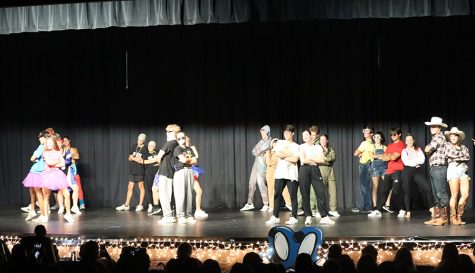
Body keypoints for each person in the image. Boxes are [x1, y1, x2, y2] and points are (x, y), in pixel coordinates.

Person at [298, 130, 334, 225]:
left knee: (321, 192)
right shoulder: (301, 146)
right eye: (303, 136)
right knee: (305, 193)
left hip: (315, 169)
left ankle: (324, 216)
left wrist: (310, 159)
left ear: (311, 136)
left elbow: (322, 159)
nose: (304, 137)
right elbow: (303, 160)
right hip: (304, 170)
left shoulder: (318, 147)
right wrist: (315, 159)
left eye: (306, 135)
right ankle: (308, 216)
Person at [266, 125, 300, 225]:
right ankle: (275, 216)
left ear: (292, 133)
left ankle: (294, 217)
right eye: (284, 133)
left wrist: (284, 156)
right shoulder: (280, 143)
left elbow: (295, 160)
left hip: (292, 174)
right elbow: (278, 154)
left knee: (293, 196)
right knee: (277, 195)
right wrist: (289, 155)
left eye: (288, 133)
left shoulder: (296, 146)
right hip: (280, 173)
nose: (286, 135)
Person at [368, 128, 405, 218]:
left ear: (399, 134)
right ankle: (377, 210)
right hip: (389, 170)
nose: (392, 136)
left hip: (398, 170)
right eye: (391, 135)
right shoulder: (390, 145)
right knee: (384, 191)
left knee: (396, 191)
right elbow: (384, 157)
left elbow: (393, 157)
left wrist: (389, 156)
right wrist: (388, 156)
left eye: (394, 134)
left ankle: (402, 209)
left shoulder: (401, 145)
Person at [39, 136, 75, 223]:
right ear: (46, 144)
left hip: (57, 174)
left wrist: (54, 164)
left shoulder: (58, 152)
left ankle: (68, 214)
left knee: (66, 194)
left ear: (54, 143)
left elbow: (63, 164)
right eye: (48, 143)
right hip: (48, 175)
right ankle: (45, 216)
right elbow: (49, 162)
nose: (50, 144)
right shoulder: (45, 153)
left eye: (51, 142)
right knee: (46, 197)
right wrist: (56, 163)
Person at [423, 117, 449, 226]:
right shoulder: (435, 138)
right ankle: (437, 217)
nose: (431, 128)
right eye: (431, 126)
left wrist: (428, 149)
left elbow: (427, 149)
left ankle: (444, 218)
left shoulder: (439, 137)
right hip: (434, 168)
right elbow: (427, 150)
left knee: (440, 193)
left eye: (434, 126)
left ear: (439, 128)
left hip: (439, 168)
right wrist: (427, 150)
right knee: (435, 194)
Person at [401, 134, 433, 218]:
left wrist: (412, 161)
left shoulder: (418, 149)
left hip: (416, 172)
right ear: (405, 142)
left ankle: (432, 208)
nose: (409, 141)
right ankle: (408, 211)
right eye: (407, 140)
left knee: (427, 188)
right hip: (407, 171)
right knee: (407, 191)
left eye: (411, 140)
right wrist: (416, 162)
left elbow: (422, 160)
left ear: (413, 141)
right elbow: (406, 162)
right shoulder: (404, 151)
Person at [241, 125, 271, 212]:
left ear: (268, 132)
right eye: (261, 132)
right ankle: (250, 203)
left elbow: (262, 150)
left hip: (262, 164)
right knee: (251, 183)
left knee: (261, 184)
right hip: (256, 164)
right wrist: (259, 151)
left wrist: (260, 151)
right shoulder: (261, 141)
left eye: (264, 132)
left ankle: (266, 204)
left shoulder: (269, 141)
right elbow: (254, 151)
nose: (262, 134)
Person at [444, 127, 470, 225]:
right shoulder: (447, 145)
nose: (453, 137)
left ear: (458, 137)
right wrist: (461, 156)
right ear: (449, 137)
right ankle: (453, 218)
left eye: (455, 135)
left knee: (465, 194)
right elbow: (450, 154)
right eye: (451, 135)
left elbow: (467, 156)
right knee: (454, 195)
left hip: (463, 171)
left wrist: (458, 156)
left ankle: (459, 216)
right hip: (453, 170)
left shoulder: (464, 147)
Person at [116, 133, 147, 212]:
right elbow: (129, 158)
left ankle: (140, 205)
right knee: (130, 187)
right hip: (132, 170)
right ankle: (126, 205)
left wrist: (134, 158)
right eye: (138, 140)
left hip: (140, 171)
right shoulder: (134, 146)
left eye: (141, 140)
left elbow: (142, 161)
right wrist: (135, 158)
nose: (139, 141)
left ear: (143, 141)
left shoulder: (145, 149)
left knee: (141, 187)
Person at [22, 130, 48, 221]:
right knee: (34, 191)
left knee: (38, 193)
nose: (40, 139)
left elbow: (32, 158)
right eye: (40, 138)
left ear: (45, 138)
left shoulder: (42, 146)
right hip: (41, 170)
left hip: (38, 171)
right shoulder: (48, 146)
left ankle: (43, 214)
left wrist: (35, 160)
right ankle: (33, 210)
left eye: (41, 138)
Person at [157, 124, 180, 223]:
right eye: (166, 131)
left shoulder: (170, 143)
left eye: (169, 131)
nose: (167, 133)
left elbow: (159, 155)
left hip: (165, 171)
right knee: (169, 193)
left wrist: (159, 161)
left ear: (175, 133)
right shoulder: (176, 144)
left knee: (163, 193)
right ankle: (171, 214)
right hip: (170, 171)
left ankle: (167, 216)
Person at [173, 132, 198, 224]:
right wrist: (189, 160)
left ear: (185, 138)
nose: (181, 140)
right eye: (179, 139)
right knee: (181, 195)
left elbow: (195, 161)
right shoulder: (177, 149)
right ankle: (181, 216)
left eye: (182, 138)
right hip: (181, 171)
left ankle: (189, 215)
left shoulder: (189, 149)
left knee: (189, 194)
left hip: (190, 171)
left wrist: (187, 160)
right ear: (177, 140)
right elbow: (183, 160)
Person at [265, 138, 292, 212]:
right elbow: (268, 162)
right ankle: (271, 206)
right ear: (272, 144)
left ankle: (289, 204)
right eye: (274, 143)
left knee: (285, 188)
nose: (275, 144)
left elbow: (285, 160)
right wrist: (276, 165)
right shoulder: (268, 152)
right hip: (271, 172)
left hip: (280, 171)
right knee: (271, 189)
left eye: (277, 143)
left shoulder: (281, 152)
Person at [185, 136, 208, 218]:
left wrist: (192, 148)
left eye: (187, 140)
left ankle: (198, 210)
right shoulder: (180, 149)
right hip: (185, 171)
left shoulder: (191, 148)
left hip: (193, 171)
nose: (186, 141)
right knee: (185, 193)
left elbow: (196, 157)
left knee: (199, 191)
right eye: (185, 140)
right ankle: (181, 211)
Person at [353, 127, 374, 213]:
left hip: (365, 165)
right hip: (369, 165)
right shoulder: (372, 143)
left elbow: (355, 153)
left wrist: (360, 153)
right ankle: (362, 206)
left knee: (364, 186)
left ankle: (368, 207)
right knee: (364, 186)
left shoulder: (365, 143)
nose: (365, 133)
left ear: (371, 134)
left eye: (367, 132)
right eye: (364, 131)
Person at [319, 134, 340, 217]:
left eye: (324, 139)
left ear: (327, 140)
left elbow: (333, 158)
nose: (323, 141)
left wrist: (325, 159)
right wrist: (327, 159)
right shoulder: (317, 149)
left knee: (333, 189)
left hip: (330, 169)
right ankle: (319, 210)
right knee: (320, 191)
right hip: (321, 169)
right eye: (321, 140)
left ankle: (333, 210)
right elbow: (319, 159)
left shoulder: (331, 148)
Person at [63, 136, 85, 210]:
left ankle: (82, 203)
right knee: (64, 188)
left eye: (66, 140)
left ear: (69, 140)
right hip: (65, 170)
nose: (65, 141)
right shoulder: (62, 149)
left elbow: (77, 156)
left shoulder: (73, 149)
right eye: (64, 140)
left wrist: (69, 155)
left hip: (73, 169)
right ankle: (64, 204)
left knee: (78, 187)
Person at [370, 131, 387, 210]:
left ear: (381, 138)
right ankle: (375, 205)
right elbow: (372, 155)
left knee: (388, 185)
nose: (376, 138)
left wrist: (380, 156)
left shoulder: (385, 147)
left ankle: (387, 204)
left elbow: (387, 156)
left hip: (384, 167)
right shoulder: (372, 146)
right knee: (375, 187)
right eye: (374, 137)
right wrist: (381, 155)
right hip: (375, 168)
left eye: (378, 137)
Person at [142, 141, 160, 215]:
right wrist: (154, 160)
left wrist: (158, 162)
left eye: (151, 146)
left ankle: (157, 205)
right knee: (149, 188)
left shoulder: (158, 152)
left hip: (157, 173)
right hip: (149, 173)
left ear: (154, 147)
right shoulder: (146, 153)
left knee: (157, 189)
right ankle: (150, 205)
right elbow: (144, 161)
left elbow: (161, 160)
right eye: (149, 145)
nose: (150, 147)